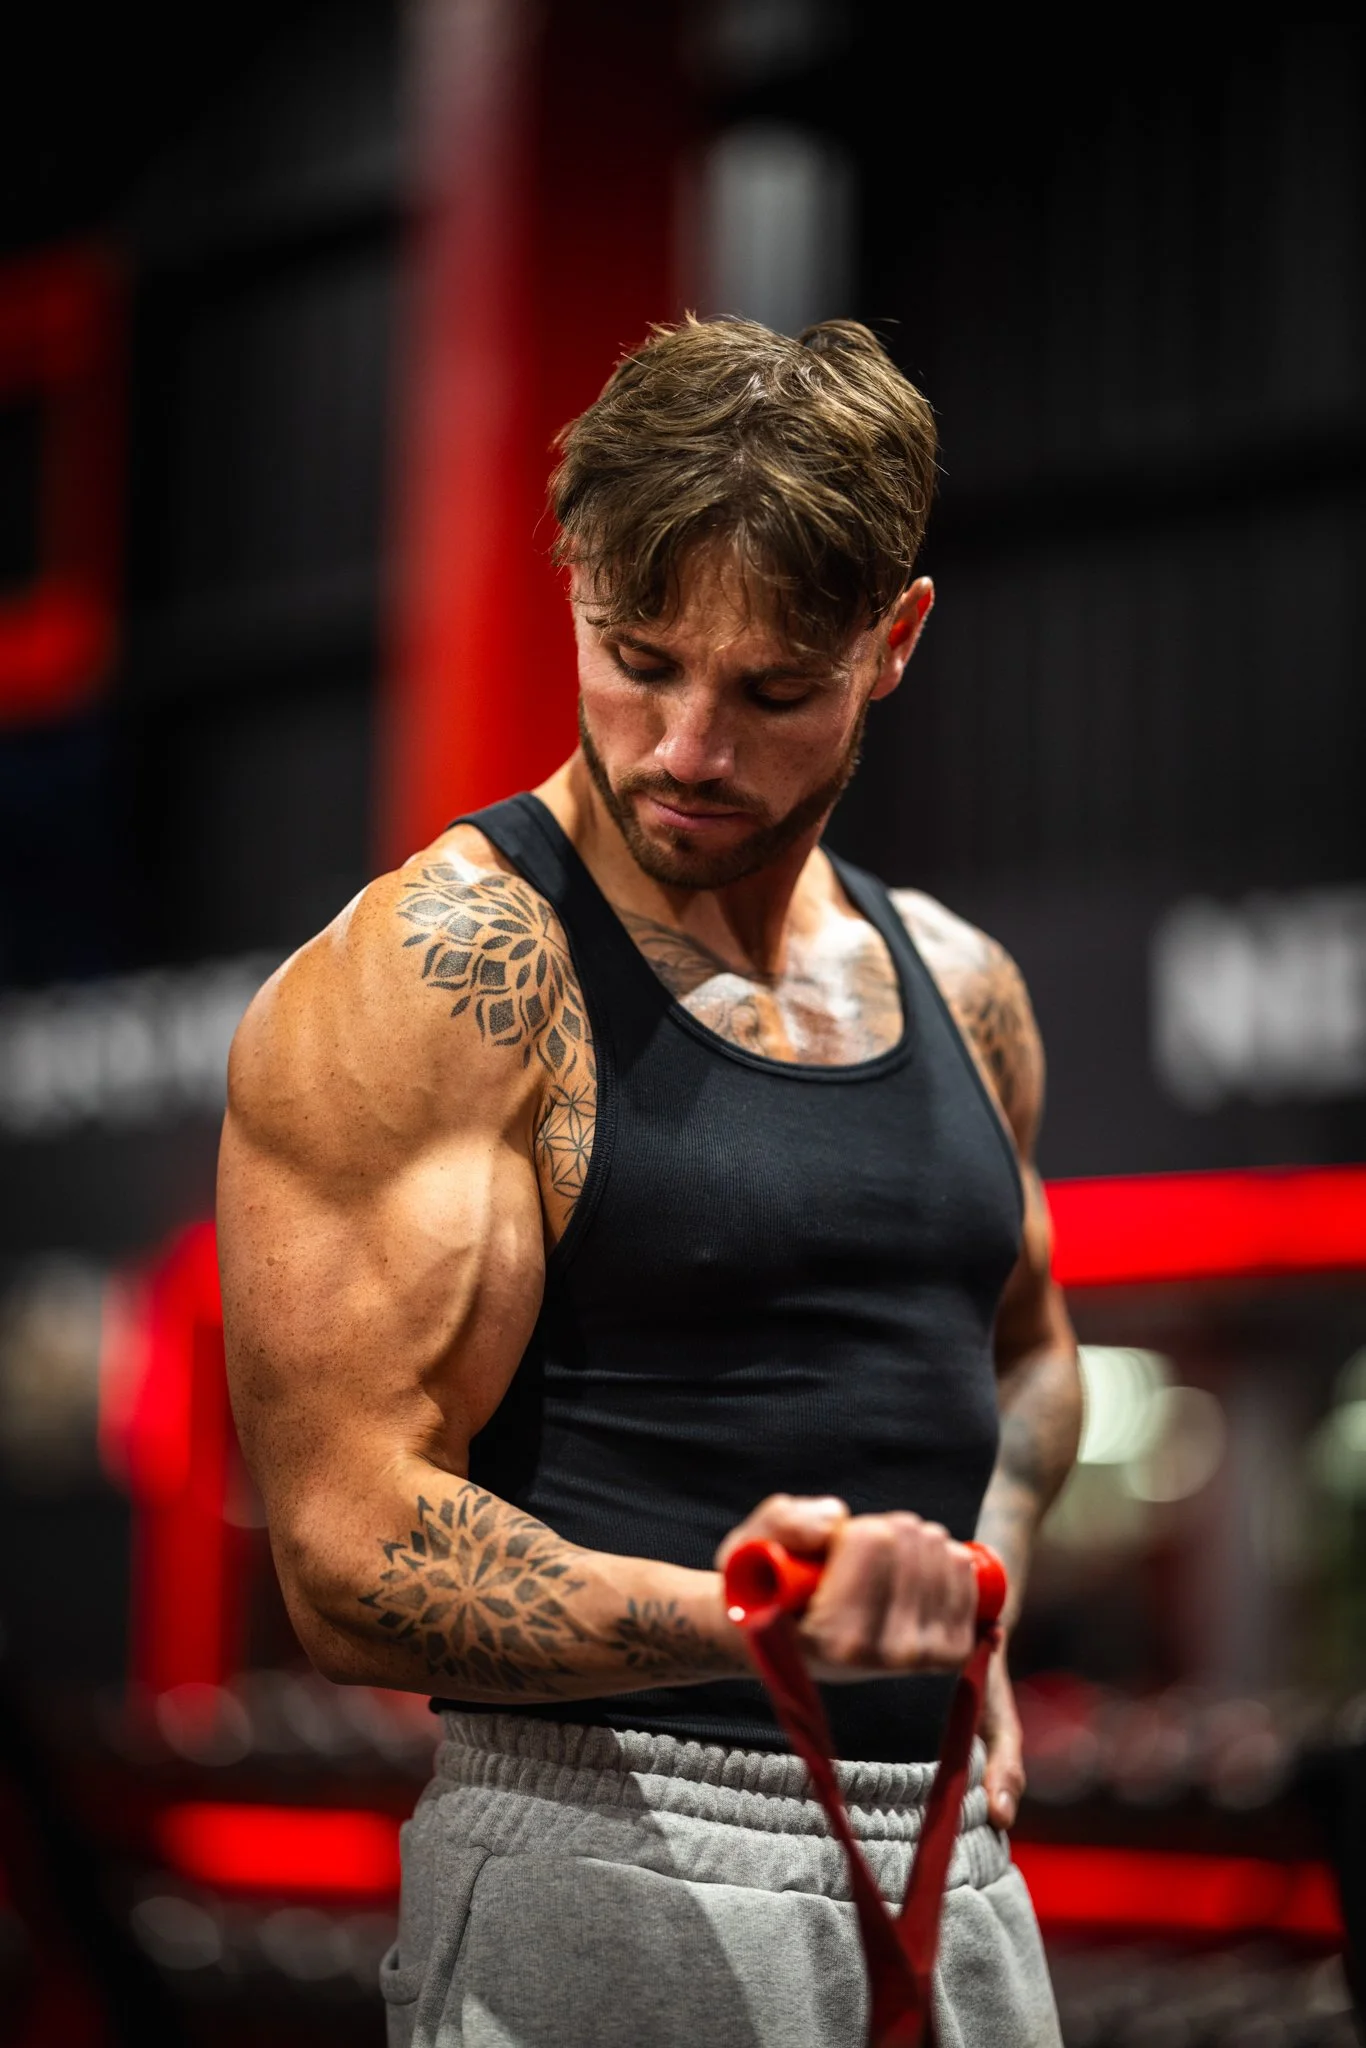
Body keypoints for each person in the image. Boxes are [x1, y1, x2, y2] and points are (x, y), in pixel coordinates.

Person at [219, 315, 1082, 2048]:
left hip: (954, 1868)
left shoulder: (963, 987)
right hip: (603, 1856)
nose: (685, 746)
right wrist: (774, 1623)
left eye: (770, 689)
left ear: (890, 641)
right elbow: (347, 1546)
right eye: (637, 654)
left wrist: (964, 1604)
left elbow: (1026, 1352)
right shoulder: (449, 968)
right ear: (574, 592)